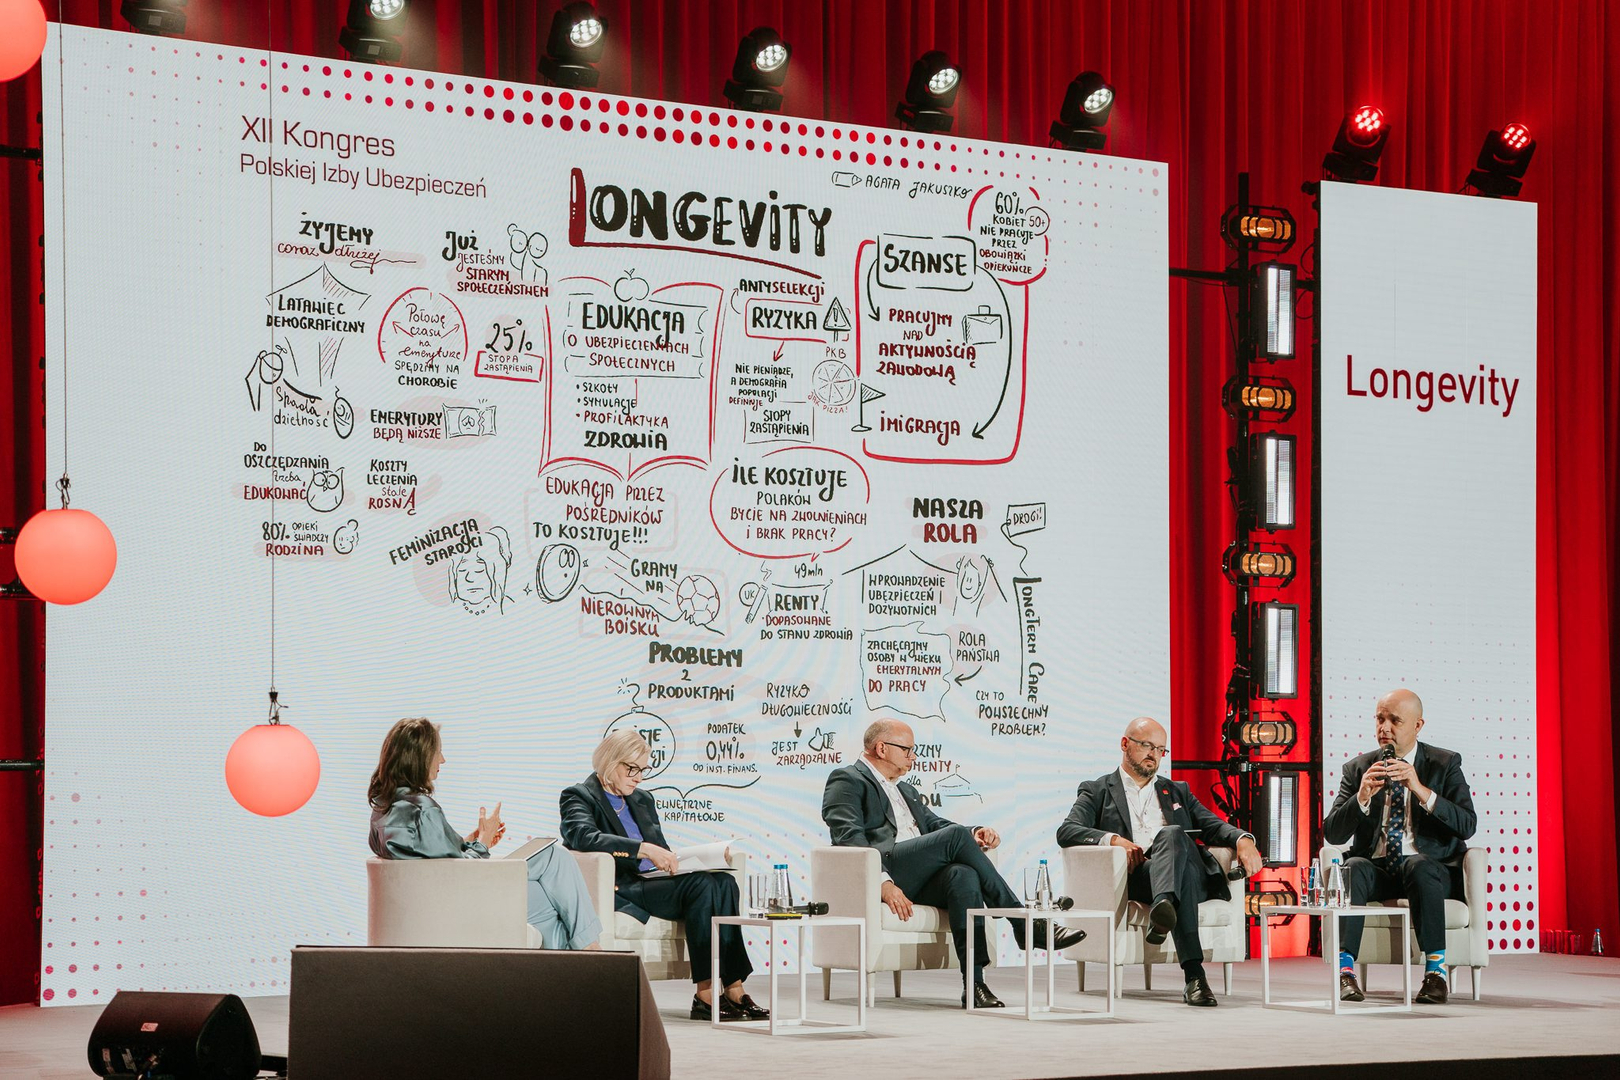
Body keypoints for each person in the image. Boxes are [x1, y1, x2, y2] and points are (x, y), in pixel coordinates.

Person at [821, 718, 1086, 1009]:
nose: (913, 757)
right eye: (907, 750)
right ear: (881, 748)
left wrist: (975, 833)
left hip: (917, 875)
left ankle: (974, 983)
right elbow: (848, 838)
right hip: (888, 869)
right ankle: (1023, 922)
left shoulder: (905, 790)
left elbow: (935, 825)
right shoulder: (847, 779)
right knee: (957, 838)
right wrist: (882, 883)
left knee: (963, 875)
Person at [560, 730, 768, 1022]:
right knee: (702, 885)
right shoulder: (579, 795)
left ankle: (734, 988)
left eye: (643, 770)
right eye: (632, 769)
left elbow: (661, 849)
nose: (638, 778)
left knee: (724, 881)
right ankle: (706, 994)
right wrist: (641, 849)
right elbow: (582, 836)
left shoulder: (642, 799)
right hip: (625, 886)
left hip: (656, 880)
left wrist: (693, 859)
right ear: (610, 761)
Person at [1057, 717, 1263, 1007]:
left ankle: (1164, 905)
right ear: (1125, 744)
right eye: (1146, 746)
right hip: (1142, 876)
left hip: (1185, 874)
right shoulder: (1097, 790)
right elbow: (1067, 831)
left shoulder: (1178, 790)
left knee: (1172, 834)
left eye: (1160, 749)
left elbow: (1213, 825)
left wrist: (1243, 839)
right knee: (1181, 873)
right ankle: (1194, 976)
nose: (1154, 754)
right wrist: (1113, 840)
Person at [368, 717, 602, 950]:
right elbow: (461, 873)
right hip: (462, 901)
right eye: (437, 752)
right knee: (554, 863)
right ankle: (591, 950)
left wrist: (470, 839)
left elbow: (430, 857)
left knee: (548, 881)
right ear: (419, 757)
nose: (442, 759)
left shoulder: (385, 807)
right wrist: (483, 842)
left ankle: (582, 954)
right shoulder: (423, 810)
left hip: (433, 901)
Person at [1323, 688, 1476, 1005]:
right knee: (1353, 867)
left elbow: (1467, 824)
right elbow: (1333, 834)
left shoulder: (1444, 764)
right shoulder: (1358, 768)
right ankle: (1345, 972)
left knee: (1418, 865)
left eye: (1395, 720)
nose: (1384, 728)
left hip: (1427, 870)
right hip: (1378, 869)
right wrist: (1361, 797)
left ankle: (1435, 974)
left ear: (1418, 726)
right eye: (1380, 719)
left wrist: (1420, 789)